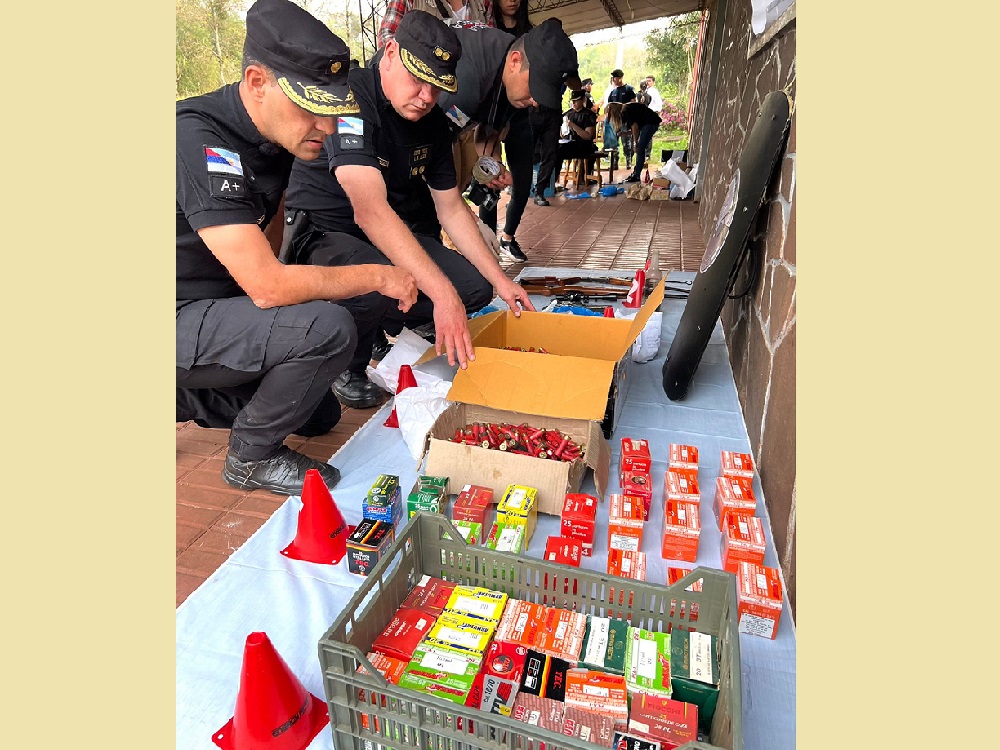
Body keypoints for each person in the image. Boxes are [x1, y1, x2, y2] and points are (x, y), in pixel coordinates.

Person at [176, 0, 418, 495]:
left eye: (330, 110)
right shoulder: (197, 138)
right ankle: (250, 457)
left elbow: (267, 241)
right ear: (257, 82)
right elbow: (268, 286)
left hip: (212, 305)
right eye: (310, 107)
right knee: (326, 328)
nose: (326, 128)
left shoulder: (271, 132)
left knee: (318, 413)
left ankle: (180, 396)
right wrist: (380, 274)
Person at [283, 11, 535, 407]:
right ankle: (348, 362)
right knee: (379, 282)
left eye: (437, 86)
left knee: (475, 289)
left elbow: (451, 208)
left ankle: (383, 323)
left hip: (385, 231)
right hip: (325, 231)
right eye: (417, 78)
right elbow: (369, 211)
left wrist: (502, 282)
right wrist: (442, 296)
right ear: (389, 53)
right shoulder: (351, 97)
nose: (426, 96)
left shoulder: (432, 121)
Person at [438, 18, 579, 218]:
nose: (535, 102)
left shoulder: (510, 71)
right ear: (515, 61)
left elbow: (488, 129)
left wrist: (493, 164)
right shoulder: (464, 85)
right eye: (535, 89)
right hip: (406, 122)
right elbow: (431, 155)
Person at [477, 0, 534, 263]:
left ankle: (508, 238)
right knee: (489, 178)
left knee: (522, 182)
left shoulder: (530, 34)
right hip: (490, 116)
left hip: (520, 117)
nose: (511, 1)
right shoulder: (486, 30)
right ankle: (486, 243)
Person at [378, 0, 491, 48]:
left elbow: (493, 42)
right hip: (425, 82)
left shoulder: (483, 2)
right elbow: (386, 37)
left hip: (475, 81)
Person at [546, 90, 597, 189]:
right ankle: (549, 180)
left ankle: (551, 181)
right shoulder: (568, 113)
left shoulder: (589, 115)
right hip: (567, 142)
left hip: (583, 145)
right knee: (553, 149)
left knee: (559, 151)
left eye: (576, 100)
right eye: (572, 101)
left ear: (583, 100)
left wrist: (574, 126)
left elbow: (588, 136)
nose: (573, 103)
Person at [619, 99, 662, 183]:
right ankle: (636, 173)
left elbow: (635, 127)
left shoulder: (626, 111)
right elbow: (635, 128)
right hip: (649, 122)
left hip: (650, 122)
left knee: (640, 148)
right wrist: (625, 133)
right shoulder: (627, 108)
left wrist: (636, 143)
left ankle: (636, 174)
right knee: (640, 149)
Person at [601, 69, 636, 168]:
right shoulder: (613, 92)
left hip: (625, 120)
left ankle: (628, 161)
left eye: (615, 78)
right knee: (614, 142)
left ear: (620, 78)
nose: (614, 80)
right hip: (614, 121)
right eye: (613, 78)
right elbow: (609, 106)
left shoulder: (629, 89)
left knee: (626, 142)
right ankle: (614, 162)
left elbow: (634, 104)